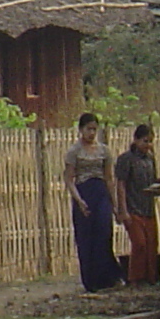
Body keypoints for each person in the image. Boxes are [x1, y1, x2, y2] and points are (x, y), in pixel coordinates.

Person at [64, 112, 124, 294]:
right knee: (86, 237)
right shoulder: (74, 151)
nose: (91, 133)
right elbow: (68, 179)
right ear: (81, 130)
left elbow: (109, 178)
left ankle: (108, 277)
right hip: (83, 192)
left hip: (101, 194)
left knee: (104, 234)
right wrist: (79, 200)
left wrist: (114, 205)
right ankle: (91, 281)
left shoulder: (104, 151)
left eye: (94, 129)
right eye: (88, 129)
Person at [113, 123, 160, 286]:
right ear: (135, 140)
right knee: (140, 244)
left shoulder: (150, 159)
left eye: (150, 141)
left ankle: (150, 279)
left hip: (148, 208)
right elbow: (121, 185)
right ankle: (134, 279)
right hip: (133, 208)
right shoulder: (125, 160)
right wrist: (123, 210)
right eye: (145, 141)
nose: (148, 145)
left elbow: (151, 182)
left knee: (151, 245)